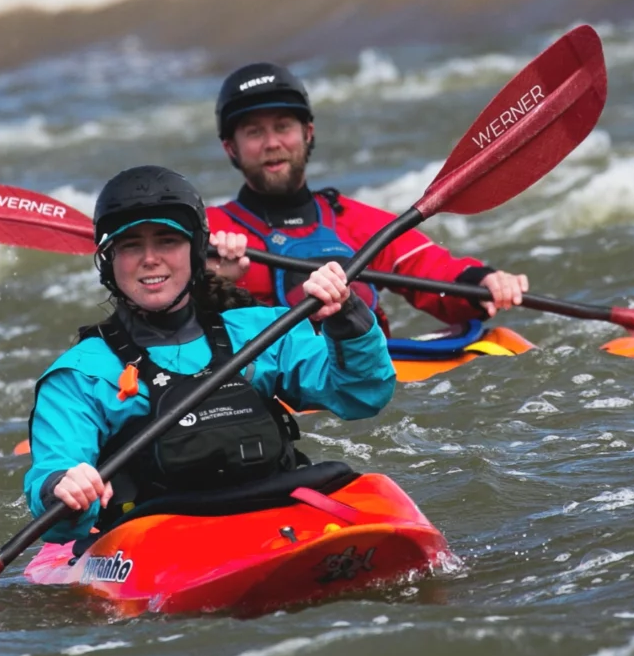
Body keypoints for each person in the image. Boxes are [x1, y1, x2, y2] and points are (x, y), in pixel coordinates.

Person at [26, 166, 395, 539]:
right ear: (109, 262)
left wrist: (346, 317)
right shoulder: (82, 374)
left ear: (196, 251)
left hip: (275, 510)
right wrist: (63, 485)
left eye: (168, 240)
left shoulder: (263, 332)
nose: (150, 258)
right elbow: (56, 497)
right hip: (157, 536)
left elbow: (361, 394)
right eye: (131, 245)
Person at [206, 63, 528, 331]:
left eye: (283, 126)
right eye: (254, 132)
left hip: (361, 379)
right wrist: (209, 282)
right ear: (230, 148)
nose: (272, 142)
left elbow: (433, 272)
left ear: (308, 133)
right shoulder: (208, 234)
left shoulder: (354, 220)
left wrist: (482, 283)